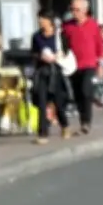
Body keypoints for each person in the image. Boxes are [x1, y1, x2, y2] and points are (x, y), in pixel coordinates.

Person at [62, 0, 103, 135]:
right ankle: (83, 120)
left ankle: (87, 122)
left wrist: (101, 65)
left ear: (85, 10)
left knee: (86, 91)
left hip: (89, 64)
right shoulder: (67, 26)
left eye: (78, 10)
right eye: (73, 9)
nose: (75, 12)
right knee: (77, 94)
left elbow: (100, 46)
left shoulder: (93, 25)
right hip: (73, 66)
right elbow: (63, 45)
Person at [30, 10, 71, 145]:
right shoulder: (36, 36)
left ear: (50, 21)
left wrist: (58, 55)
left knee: (58, 103)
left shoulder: (60, 35)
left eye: (43, 19)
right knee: (42, 103)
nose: (41, 22)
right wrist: (40, 57)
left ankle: (64, 125)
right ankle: (42, 133)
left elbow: (67, 51)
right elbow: (33, 53)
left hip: (56, 71)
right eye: (39, 19)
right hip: (42, 71)